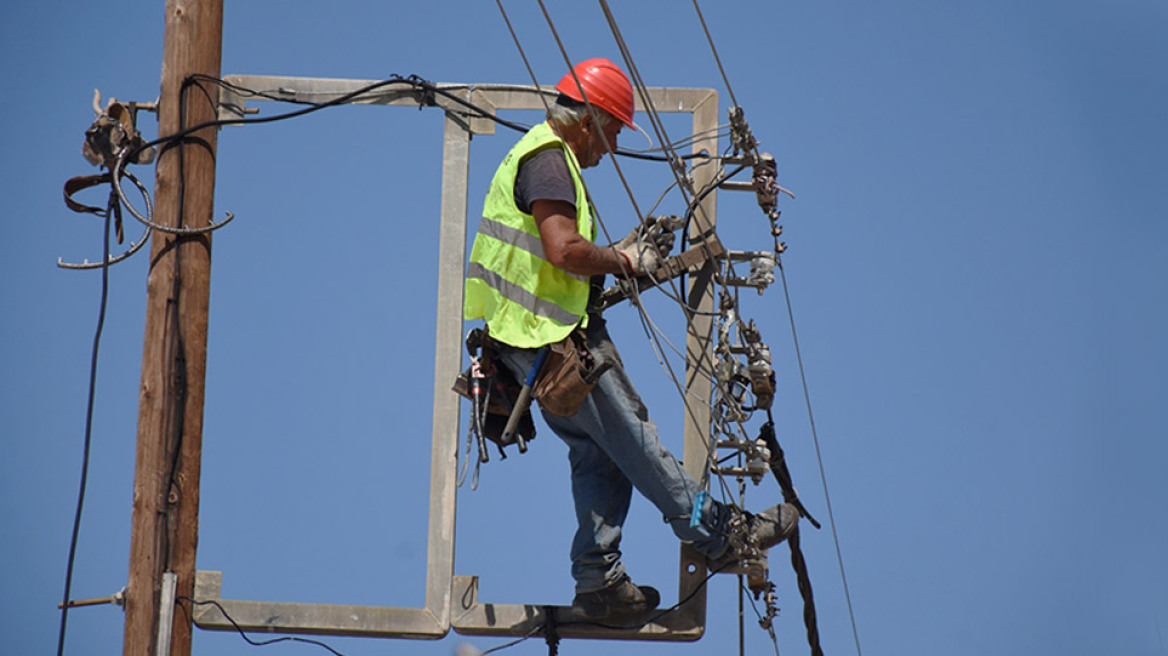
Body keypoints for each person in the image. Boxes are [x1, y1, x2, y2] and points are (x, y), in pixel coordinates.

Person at [463, 57, 798, 621]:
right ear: (588, 118)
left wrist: (616, 258)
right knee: (637, 443)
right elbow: (564, 251)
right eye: (614, 128)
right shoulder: (549, 160)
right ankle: (723, 537)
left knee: (603, 456)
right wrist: (621, 259)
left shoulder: (544, 158)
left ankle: (597, 581)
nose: (613, 144)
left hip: (529, 349)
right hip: (554, 343)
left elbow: (554, 262)